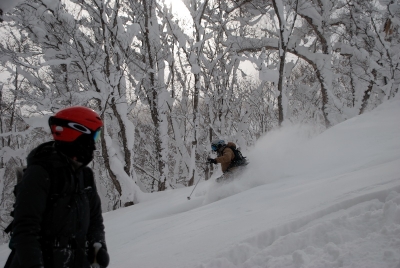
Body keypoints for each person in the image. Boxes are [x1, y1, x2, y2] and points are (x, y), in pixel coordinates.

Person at [5, 106, 109, 268]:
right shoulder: (39, 173)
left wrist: (98, 245)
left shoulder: (85, 175)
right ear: (77, 135)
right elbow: (25, 230)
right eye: (94, 136)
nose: (94, 145)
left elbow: (95, 219)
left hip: (76, 260)